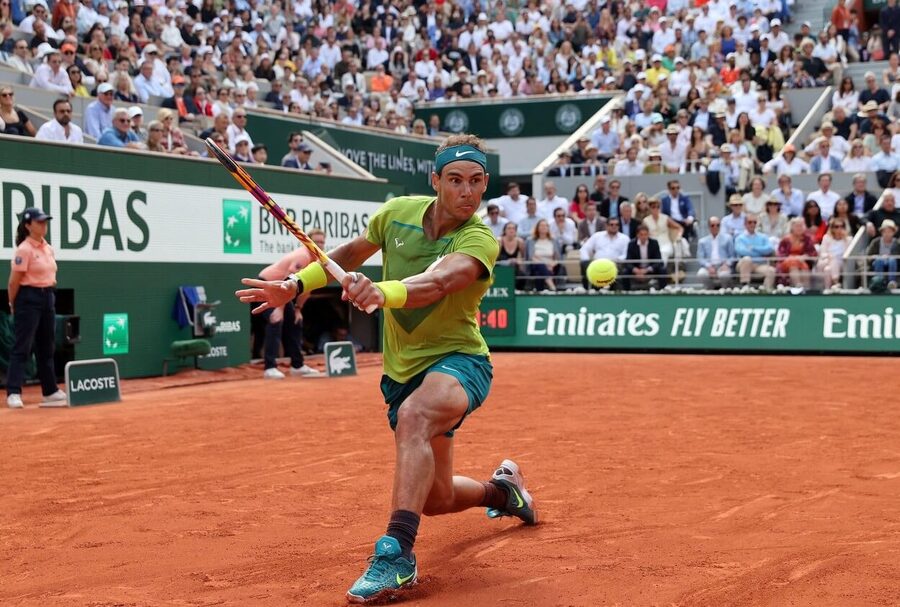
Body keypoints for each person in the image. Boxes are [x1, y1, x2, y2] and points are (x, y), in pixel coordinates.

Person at [234, 134, 536, 604]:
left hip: (460, 362)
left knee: (415, 417)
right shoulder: (396, 213)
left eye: (477, 182)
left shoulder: (478, 240)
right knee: (435, 500)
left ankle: (396, 555)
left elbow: (439, 281)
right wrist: (293, 284)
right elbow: (350, 255)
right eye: (455, 180)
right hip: (402, 372)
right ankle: (503, 493)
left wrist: (383, 291)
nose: (467, 192)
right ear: (435, 181)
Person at [6, 207, 67, 408]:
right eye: (39, 221)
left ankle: (49, 391)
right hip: (28, 298)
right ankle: (13, 392)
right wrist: (13, 304)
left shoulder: (48, 248)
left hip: (48, 296)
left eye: (45, 221)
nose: (43, 224)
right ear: (28, 225)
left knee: (46, 346)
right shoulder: (24, 249)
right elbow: (13, 283)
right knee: (22, 346)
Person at [253, 230, 325, 379]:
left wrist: (298, 308)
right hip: (266, 286)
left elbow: (307, 288)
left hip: (280, 291)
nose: (319, 245)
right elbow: (287, 282)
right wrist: (278, 309)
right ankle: (270, 368)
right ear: (307, 242)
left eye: (322, 242)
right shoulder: (303, 256)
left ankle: (297, 366)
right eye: (316, 242)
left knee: (295, 320)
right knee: (276, 320)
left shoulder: (318, 261)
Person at [580, 217, 629, 289]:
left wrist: (615, 261)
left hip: (616, 266)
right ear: (606, 225)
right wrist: (589, 262)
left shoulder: (625, 238)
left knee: (623, 269)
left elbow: (626, 254)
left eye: (617, 225)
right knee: (584, 263)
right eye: (611, 224)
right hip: (597, 266)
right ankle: (588, 290)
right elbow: (584, 249)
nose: (614, 226)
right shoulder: (597, 236)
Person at [735, 213, 776, 290]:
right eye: (750, 222)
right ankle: (745, 288)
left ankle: (766, 291)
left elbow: (770, 248)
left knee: (771, 270)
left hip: (759, 265)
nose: (752, 224)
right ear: (745, 224)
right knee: (747, 259)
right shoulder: (739, 238)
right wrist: (761, 252)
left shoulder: (763, 237)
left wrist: (754, 248)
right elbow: (741, 251)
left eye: (754, 222)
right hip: (744, 264)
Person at [622, 224, 666, 291]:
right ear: (637, 235)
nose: (643, 237)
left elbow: (659, 261)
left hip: (649, 269)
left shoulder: (654, 243)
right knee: (625, 272)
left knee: (662, 270)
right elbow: (628, 261)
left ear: (648, 234)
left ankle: (662, 291)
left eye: (645, 234)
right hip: (637, 270)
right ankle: (626, 292)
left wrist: (646, 270)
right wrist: (636, 270)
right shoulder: (631, 244)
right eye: (641, 234)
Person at [776, 217, 818, 288]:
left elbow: (813, 253)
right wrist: (794, 258)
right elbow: (781, 255)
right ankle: (798, 287)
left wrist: (805, 256)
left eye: (801, 226)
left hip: (802, 262)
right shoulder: (785, 240)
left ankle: (806, 290)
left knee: (803, 268)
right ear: (792, 227)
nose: (799, 228)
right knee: (793, 265)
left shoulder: (807, 239)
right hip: (787, 262)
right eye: (797, 226)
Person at [697, 216, 735, 289]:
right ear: (709, 227)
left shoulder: (728, 238)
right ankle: (710, 289)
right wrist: (708, 266)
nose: (715, 227)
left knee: (724, 275)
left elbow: (732, 256)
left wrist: (727, 264)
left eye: (718, 225)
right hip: (709, 265)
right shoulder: (702, 241)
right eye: (712, 225)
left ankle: (724, 291)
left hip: (723, 265)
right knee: (701, 274)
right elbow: (700, 258)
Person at [526, 219, 564, 291]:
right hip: (536, 264)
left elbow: (558, 257)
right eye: (542, 225)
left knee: (539, 274)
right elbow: (531, 257)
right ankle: (552, 286)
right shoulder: (530, 241)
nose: (544, 227)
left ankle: (539, 292)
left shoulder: (554, 241)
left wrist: (552, 264)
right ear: (537, 228)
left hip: (552, 266)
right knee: (540, 267)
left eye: (546, 225)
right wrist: (545, 265)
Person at [817, 218, 852, 289]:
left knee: (827, 270)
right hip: (826, 261)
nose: (839, 229)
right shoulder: (826, 238)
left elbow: (848, 254)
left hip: (842, 263)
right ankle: (836, 282)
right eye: (836, 227)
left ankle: (828, 289)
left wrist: (845, 239)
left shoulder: (848, 239)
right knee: (833, 259)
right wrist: (829, 256)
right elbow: (822, 253)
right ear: (832, 228)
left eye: (842, 226)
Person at [866, 218, 900, 288]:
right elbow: (868, 256)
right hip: (878, 261)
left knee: (892, 260)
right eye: (885, 231)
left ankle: (892, 282)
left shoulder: (897, 243)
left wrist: (889, 257)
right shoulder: (875, 242)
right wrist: (877, 257)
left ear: (893, 232)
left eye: (890, 231)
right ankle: (879, 281)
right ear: (882, 232)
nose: (887, 234)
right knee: (879, 260)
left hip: (892, 262)